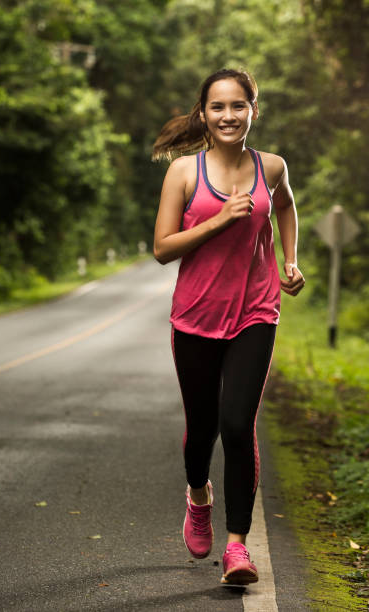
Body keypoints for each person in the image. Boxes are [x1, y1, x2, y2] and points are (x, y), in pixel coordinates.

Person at [152, 68, 305, 586]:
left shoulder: (273, 167)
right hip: (195, 316)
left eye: (238, 106)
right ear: (203, 113)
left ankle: (237, 546)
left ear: (253, 111)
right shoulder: (183, 173)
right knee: (203, 430)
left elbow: (285, 205)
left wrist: (289, 259)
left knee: (238, 425)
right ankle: (198, 495)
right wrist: (219, 220)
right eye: (218, 107)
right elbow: (161, 249)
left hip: (255, 313)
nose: (228, 116)